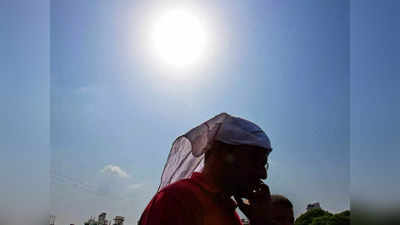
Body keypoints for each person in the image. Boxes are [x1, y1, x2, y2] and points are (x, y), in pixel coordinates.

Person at [138, 113, 274, 225]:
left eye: (264, 165)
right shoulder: (177, 199)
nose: (263, 174)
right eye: (256, 162)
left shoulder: (228, 208)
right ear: (222, 153)